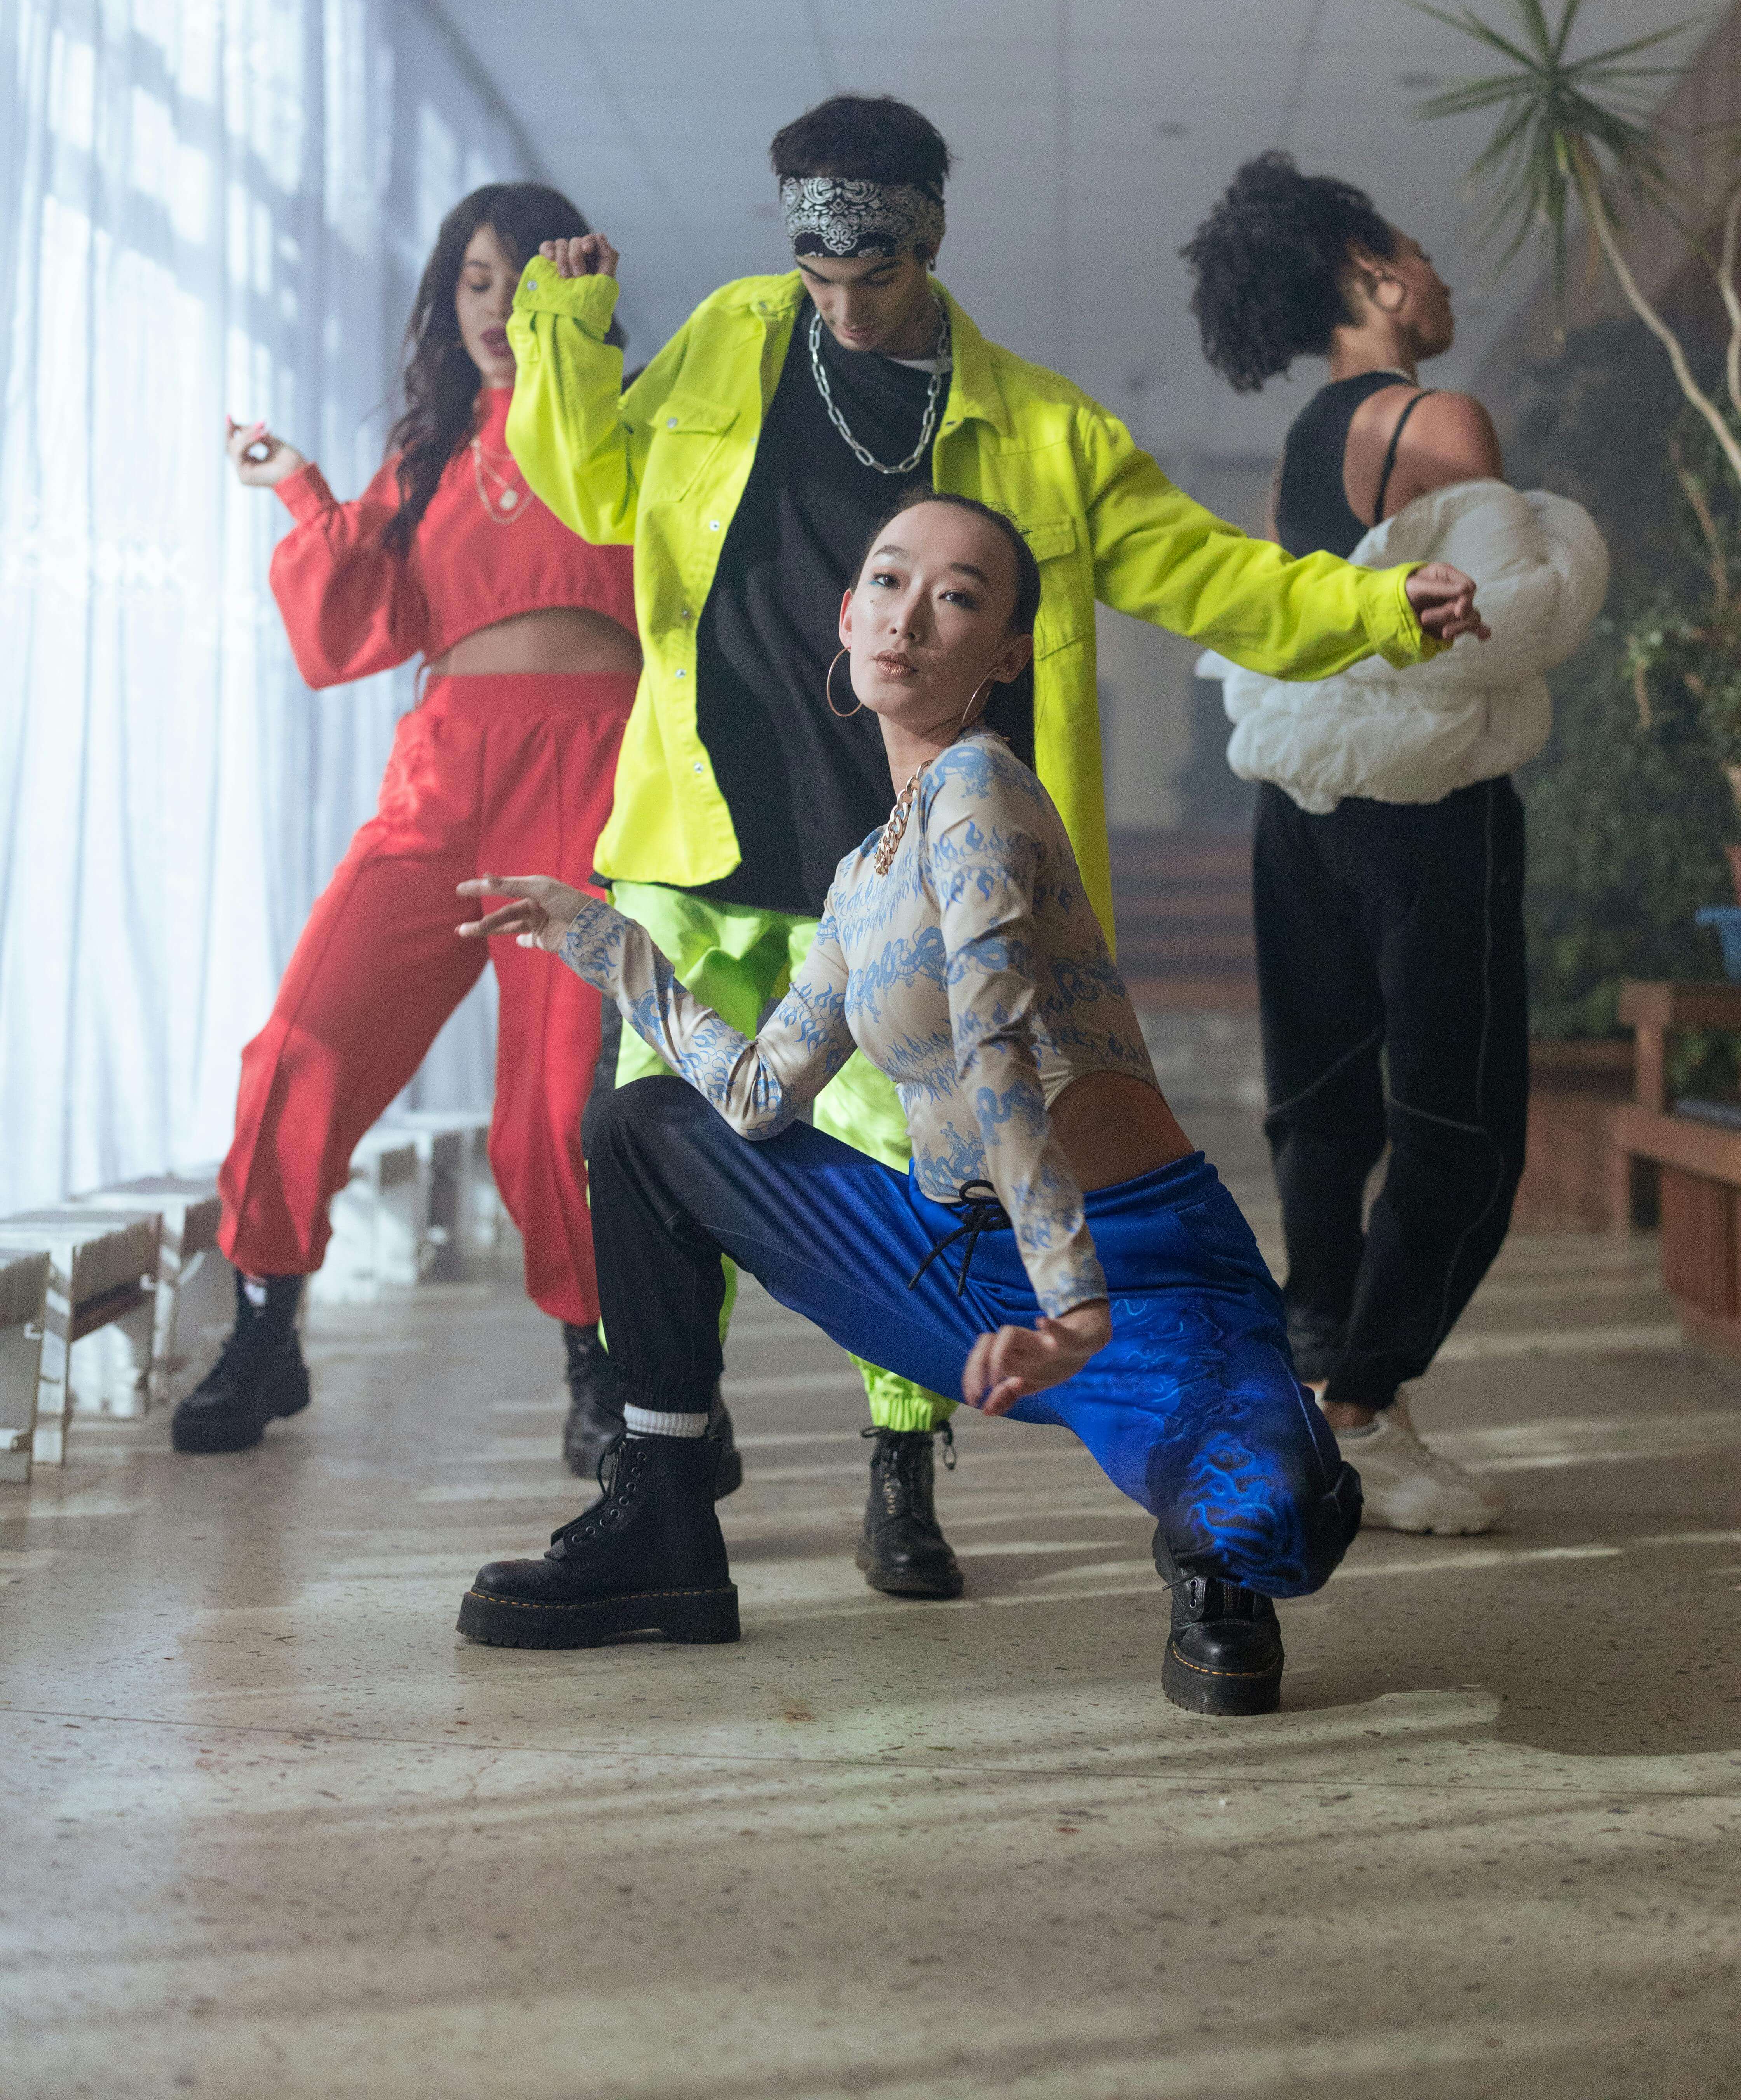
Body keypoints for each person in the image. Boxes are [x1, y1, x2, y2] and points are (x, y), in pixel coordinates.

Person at [503, 93, 1485, 1598]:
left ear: (933, 240)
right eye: (819, 274)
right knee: (646, 1145)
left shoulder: (1041, 432)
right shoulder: (726, 342)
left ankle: (903, 1470)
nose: (843, 306)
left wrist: (1371, 606)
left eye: (876, 274)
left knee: (916, 1163)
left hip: (906, 876)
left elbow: (1212, 576)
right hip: (701, 839)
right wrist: (563, 330)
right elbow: (590, 487)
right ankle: (663, 1482)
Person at [450, 491, 1365, 1718]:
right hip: (951, 1258)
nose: (910, 618)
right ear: (847, 616)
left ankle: (1216, 1544)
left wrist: (1075, 1311)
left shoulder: (981, 788)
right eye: (889, 582)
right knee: (644, 1130)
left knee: (1278, 1523)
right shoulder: (862, 875)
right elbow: (761, 1098)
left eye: (959, 596)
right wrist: (605, 941)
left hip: (1132, 1269)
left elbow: (997, 1044)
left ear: (1008, 654)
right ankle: (663, 1514)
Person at [171, 182, 696, 1486]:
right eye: (475, 280)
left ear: (570, 291)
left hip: (593, 774)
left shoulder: (636, 429)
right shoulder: (428, 456)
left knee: (556, 1108)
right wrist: (299, 487)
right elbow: (353, 616)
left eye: (523, 279)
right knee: (302, 1044)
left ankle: (598, 1370)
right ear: (446, 299)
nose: (497, 306)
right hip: (446, 771)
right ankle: (265, 1325)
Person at [1183, 153, 1606, 1534]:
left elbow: (1307, 628)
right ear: (1371, 274)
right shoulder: (1442, 418)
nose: (1441, 280)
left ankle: (1317, 1388)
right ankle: (1367, 1404)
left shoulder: (1300, 452)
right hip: (1430, 816)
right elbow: (1500, 626)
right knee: (1461, 1122)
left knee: (1321, 1105)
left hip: (1297, 806)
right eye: (1418, 254)